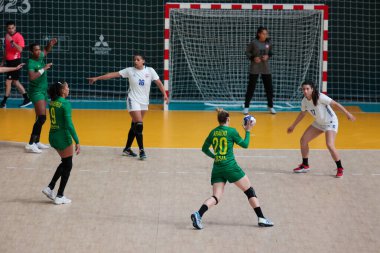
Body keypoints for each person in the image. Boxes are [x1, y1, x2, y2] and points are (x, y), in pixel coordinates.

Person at [191, 108, 274, 229]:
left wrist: (214, 156)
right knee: (249, 191)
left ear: (219, 120)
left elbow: (204, 149)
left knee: (216, 197)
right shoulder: (231, 131)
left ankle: (198, 214)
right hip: (230, 167)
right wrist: (248, 131)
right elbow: (245, 145)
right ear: (228, 119)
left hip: (217, 168)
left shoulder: (213, 132)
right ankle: (261, 218)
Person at [87, 54, 169, 160]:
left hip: (144, 102)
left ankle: (127, 149)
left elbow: (159, 83)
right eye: (134, 60)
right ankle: (142, 150)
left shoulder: (150, 71)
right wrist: (97, 78)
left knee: (135, 125)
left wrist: (165, 95)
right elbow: (113, 75)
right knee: (139, 124)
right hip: (132, 99)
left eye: (138, 59)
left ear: (143, 61)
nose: (135, 61)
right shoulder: (129, 71)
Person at [287, 80, 356, 178]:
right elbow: (302, 113)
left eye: (307, 89)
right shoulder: (304, 101)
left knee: (329, 144)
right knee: (303, 140)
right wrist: (293, 126)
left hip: (330, 122)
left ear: (312, 89)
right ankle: (305, 165)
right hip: (319, 123)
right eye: (303, 89)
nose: (305, 91)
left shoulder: (320, 97)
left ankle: (340, 168)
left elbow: (335, 104)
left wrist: (347, 113)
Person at [42, 81, 80, 205]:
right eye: (66, 87)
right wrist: (77, 141)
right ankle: (60, 195)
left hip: (52, 135)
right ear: (62, 91)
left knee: (65, 162)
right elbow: (69, 124)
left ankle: (50, 187)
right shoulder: (65, 104)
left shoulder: (52, 102)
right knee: (68, 165)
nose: (68, 89)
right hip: (62, 137)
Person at [25, 38, 57, 153]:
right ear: (31, 52)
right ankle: (30, 143)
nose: (39, 52)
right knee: (42, 118)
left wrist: (50, 44)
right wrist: (44, 68)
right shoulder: (31, 62)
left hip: (43, 91)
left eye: (39, 49)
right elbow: (32, 77)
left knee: (40, 118)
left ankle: (37, 141)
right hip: (36, 92)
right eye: (36, 50)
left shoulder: (40, 56)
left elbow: (46, 50)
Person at [243, 26, 276, 115]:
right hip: (255, 68)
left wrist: (268, 56)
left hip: (266, 68)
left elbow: (271, 52)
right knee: (251, 88)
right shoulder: (254, 42)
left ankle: (270, 106)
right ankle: (246, 107)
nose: (266, 35)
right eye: (264, 33)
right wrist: (253, 58)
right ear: (259, 34)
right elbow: (247, 52)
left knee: (269, 88)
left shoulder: (269, 42)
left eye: (266, 34)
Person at [0, 21, 31, 108]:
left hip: (15, 61)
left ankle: (4, 102)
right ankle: (26, 98)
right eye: (9, 28)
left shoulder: (19, 37)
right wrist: (3, 61)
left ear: (15, 27)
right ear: (7, 28)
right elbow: (6, 50)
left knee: (8, 82)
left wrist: (12, 41)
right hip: (8, 61)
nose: (11, 30)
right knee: (15, 81)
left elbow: (20, 50)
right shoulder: (7, 36)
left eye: (12, 28)